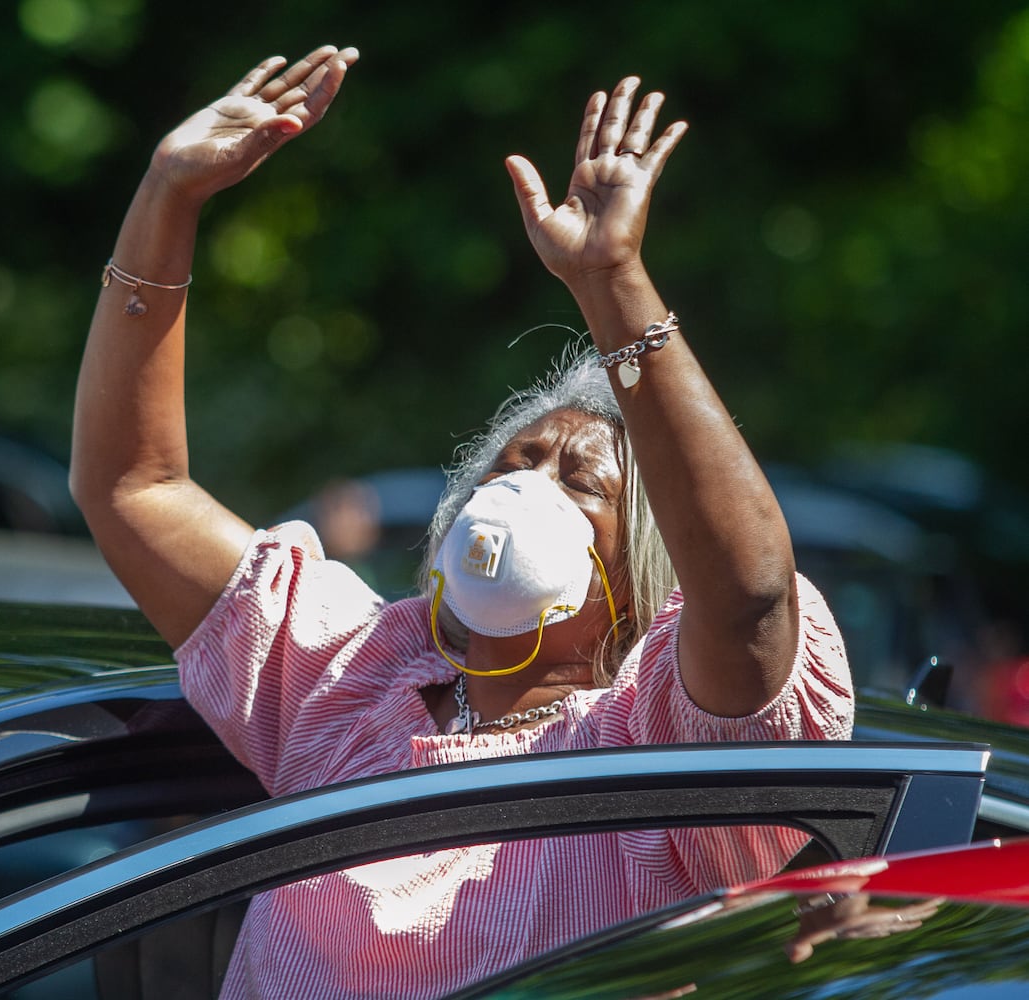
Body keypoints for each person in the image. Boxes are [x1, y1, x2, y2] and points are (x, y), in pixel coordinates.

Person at [70, 45, 854, 999]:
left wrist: (611, 282)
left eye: (580, 482)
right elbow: (132, 488)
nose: (522, 489)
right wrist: (166, 199)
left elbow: (747, 600)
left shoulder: (652, 757)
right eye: (512, 463)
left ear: (645, 568)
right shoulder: (349, 685)